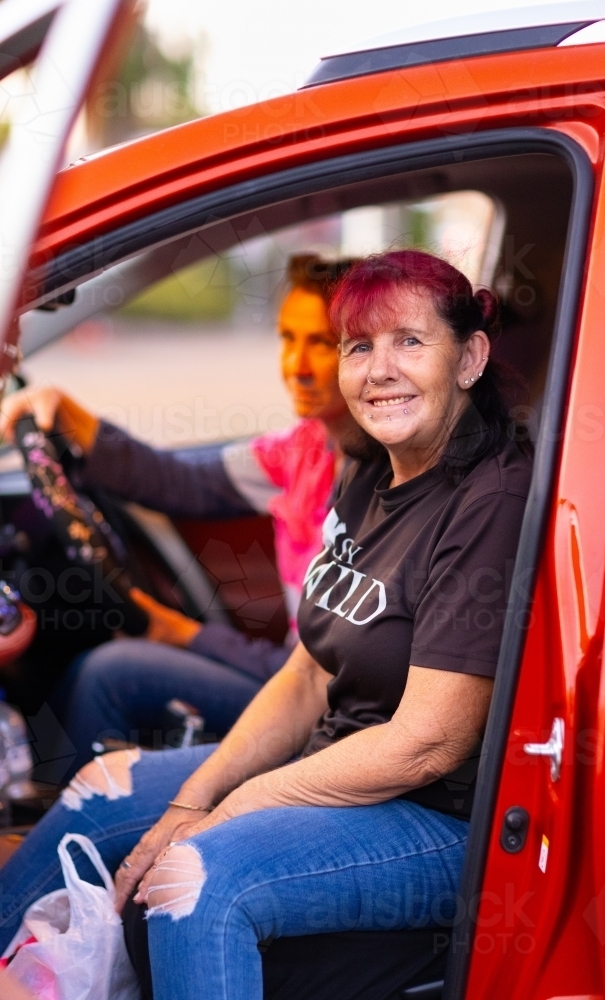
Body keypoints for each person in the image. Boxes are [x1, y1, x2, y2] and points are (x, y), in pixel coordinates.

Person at [0, 249, 533, 1000]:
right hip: (338, 766)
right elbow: (309, 671)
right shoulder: (366, 468)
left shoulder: (489, 501)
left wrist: (227, 809)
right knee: (98, 789)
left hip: (441, 824)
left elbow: (426, 745)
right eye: (359, 346)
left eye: (408, 342)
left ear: (469, 357)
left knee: (193, 879)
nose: (378, 369)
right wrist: (194, 797)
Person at [0, 255, 357, 774]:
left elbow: (323, 675)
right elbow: (183, 483)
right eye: (287, 338)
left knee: (111, 670)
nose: (295, 365)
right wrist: (67, 412)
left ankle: (75, 822)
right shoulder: (305, 449)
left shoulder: (379, 485)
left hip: (319, 709)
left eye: (321, 343)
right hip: (288, 677)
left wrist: (183, 633)